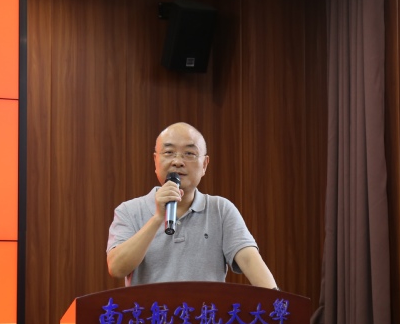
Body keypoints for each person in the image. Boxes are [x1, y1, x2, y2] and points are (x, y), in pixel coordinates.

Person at [106, 122, 279, 289]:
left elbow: (249, 260)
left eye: (189, 153)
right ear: (155, 160)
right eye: (169, 152)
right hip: (152, 310)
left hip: (204, 310)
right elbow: (117, 268)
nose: (177, 161)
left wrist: (281, 303)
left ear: (204, 164)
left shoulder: (221, 210)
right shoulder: (129, 211)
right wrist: (158, 217)